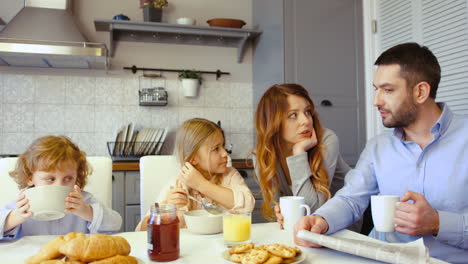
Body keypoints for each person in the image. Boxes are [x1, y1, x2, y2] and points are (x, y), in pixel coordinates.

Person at [293, 42, 468, 263]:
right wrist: (320, 219)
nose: (376, 101)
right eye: (376, 89)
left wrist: (438, 223)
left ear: (421, 92)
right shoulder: (378, 147)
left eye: (388, 90)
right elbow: (350, 199)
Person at [254, 83, 354, 229]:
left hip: (342, 225)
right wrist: (280, 215)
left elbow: (313, 210)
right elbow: (276, 213)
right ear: (272, 122)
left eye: (307, 112)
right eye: (293, 115)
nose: (306, 121)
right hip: (302, 229)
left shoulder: (327, 140)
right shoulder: (263, 156)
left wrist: (298, 153)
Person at [135, 118, 255, 230]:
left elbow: (248, 205)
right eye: (216, 149)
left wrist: (201, 184)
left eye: (223, 146)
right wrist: (168, 209)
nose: (225, 154)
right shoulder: (178, 184)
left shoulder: (230, 175)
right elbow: (141, 229)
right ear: (193, 158)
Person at [0, 136, 122, 239]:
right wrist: (14, 217)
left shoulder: (82, 200)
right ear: (30, 177)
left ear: (77, 177)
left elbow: (116, 223)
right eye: (50, 179)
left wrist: (87, 211)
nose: (59, 185)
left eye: (68, 178)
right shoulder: (25, 202)